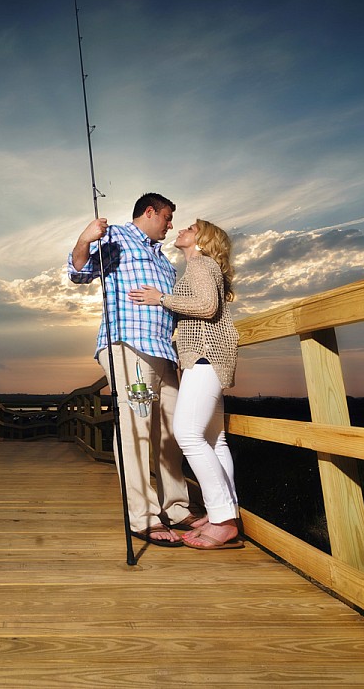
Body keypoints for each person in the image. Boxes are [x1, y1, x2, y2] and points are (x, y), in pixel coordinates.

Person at [68, 192, 200, 547]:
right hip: (127, 345)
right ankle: (142, 517)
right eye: (168, 218)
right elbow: (78, 271)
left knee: (174, 430)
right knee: (136, 428)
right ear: (150, 211)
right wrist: (84, 239)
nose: (170, 225)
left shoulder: (165, 263)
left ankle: (176, 507)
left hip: (163, 352)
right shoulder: (117, 237)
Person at [130, 218, 242, 550]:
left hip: (205, 356)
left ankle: (223, 520)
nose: (182, 230)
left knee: (188, 435)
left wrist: (160, 298)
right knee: (213, 439)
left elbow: (207, 308)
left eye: (191, 228)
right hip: (209, 356)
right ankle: (225, 512)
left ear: (203, 241)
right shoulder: (201, 267)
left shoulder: (201, 264)